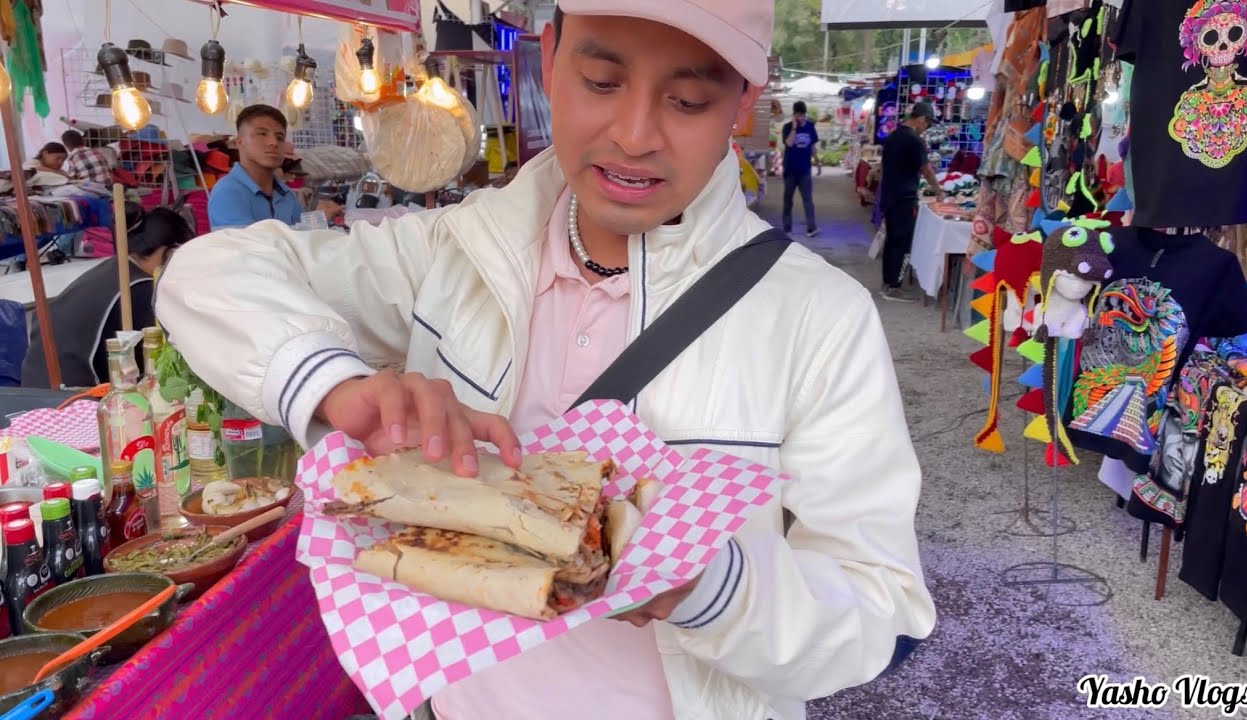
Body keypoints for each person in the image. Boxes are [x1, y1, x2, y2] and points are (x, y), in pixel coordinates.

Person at [156, 3, 934, 719]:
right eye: (601, 81)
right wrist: (338, 385)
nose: (634, 134)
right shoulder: (455, 251)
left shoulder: (816, 319)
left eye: (688, 100)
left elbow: (882, 614)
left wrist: (715, 589)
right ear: (550, 56)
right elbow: (208, 275)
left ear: (743, 100)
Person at [23, 206, 194, 389]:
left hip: (35, 385)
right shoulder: (141, 288)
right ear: (167, 252)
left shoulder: (112, 269)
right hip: (74, 395)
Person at [207, 105, 339, 229]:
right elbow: (251, 248)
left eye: (280, 137)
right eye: (262, 134)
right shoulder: (228, 193)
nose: (273, 142)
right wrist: (316, 223)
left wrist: (318, 218)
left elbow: (299, 240)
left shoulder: (286, 195)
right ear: (240, 142)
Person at [878, 101, 945, 303]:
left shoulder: (892, 137)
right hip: (905, 198)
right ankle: (895, 287)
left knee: (891, 241)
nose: (927, 128)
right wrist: (938, 191)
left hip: (890, 195)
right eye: (928, 124)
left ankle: (887, 282)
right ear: (921, 119)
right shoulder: (914, 141)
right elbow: (926, 169)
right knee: (904, 243)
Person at [780, 100, 821, 238]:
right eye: (798, 115)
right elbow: (789, 143)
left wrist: (818, 162)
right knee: (788, 200)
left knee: (808, 199)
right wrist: (794, 127)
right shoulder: (787, 127)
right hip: (790, 170)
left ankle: (811, 227)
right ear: (794, 115)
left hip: (805, 170)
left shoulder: (810, 127)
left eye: (802, 115)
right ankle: (787, 228)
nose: (800, 117)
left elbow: (813, 146)